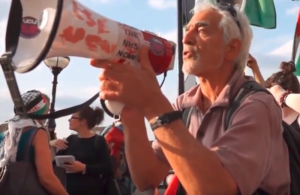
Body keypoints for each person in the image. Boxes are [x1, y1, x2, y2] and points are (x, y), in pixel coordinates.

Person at [90, 1, 290, 195]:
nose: (186, 39)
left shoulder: (257, 105)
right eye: (188, 30)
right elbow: (147, 177)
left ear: (232, 48)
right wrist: (131, 112)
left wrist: (152, 103)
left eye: (202, 30)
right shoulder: (184, 105)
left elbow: (216, 189)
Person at [0, 90, 68, 195]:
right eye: (47, 109)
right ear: (40, 109)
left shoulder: (5, 132)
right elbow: (46, 178)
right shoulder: (38, 133)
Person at [55, 106, 113, 195]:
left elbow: (107, 167)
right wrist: (51, 144)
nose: (69, 120)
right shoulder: (70, 139)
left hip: (91, 190)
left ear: (83, 122)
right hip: (67, 190)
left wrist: (84, 168)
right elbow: (54, 162)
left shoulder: (98, 140)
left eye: (73, 117)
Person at [247, 56, 300, 131]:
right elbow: (263, 90)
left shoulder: (298, 120)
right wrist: (255, 68)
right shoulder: (271, 117)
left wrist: (283, 95)